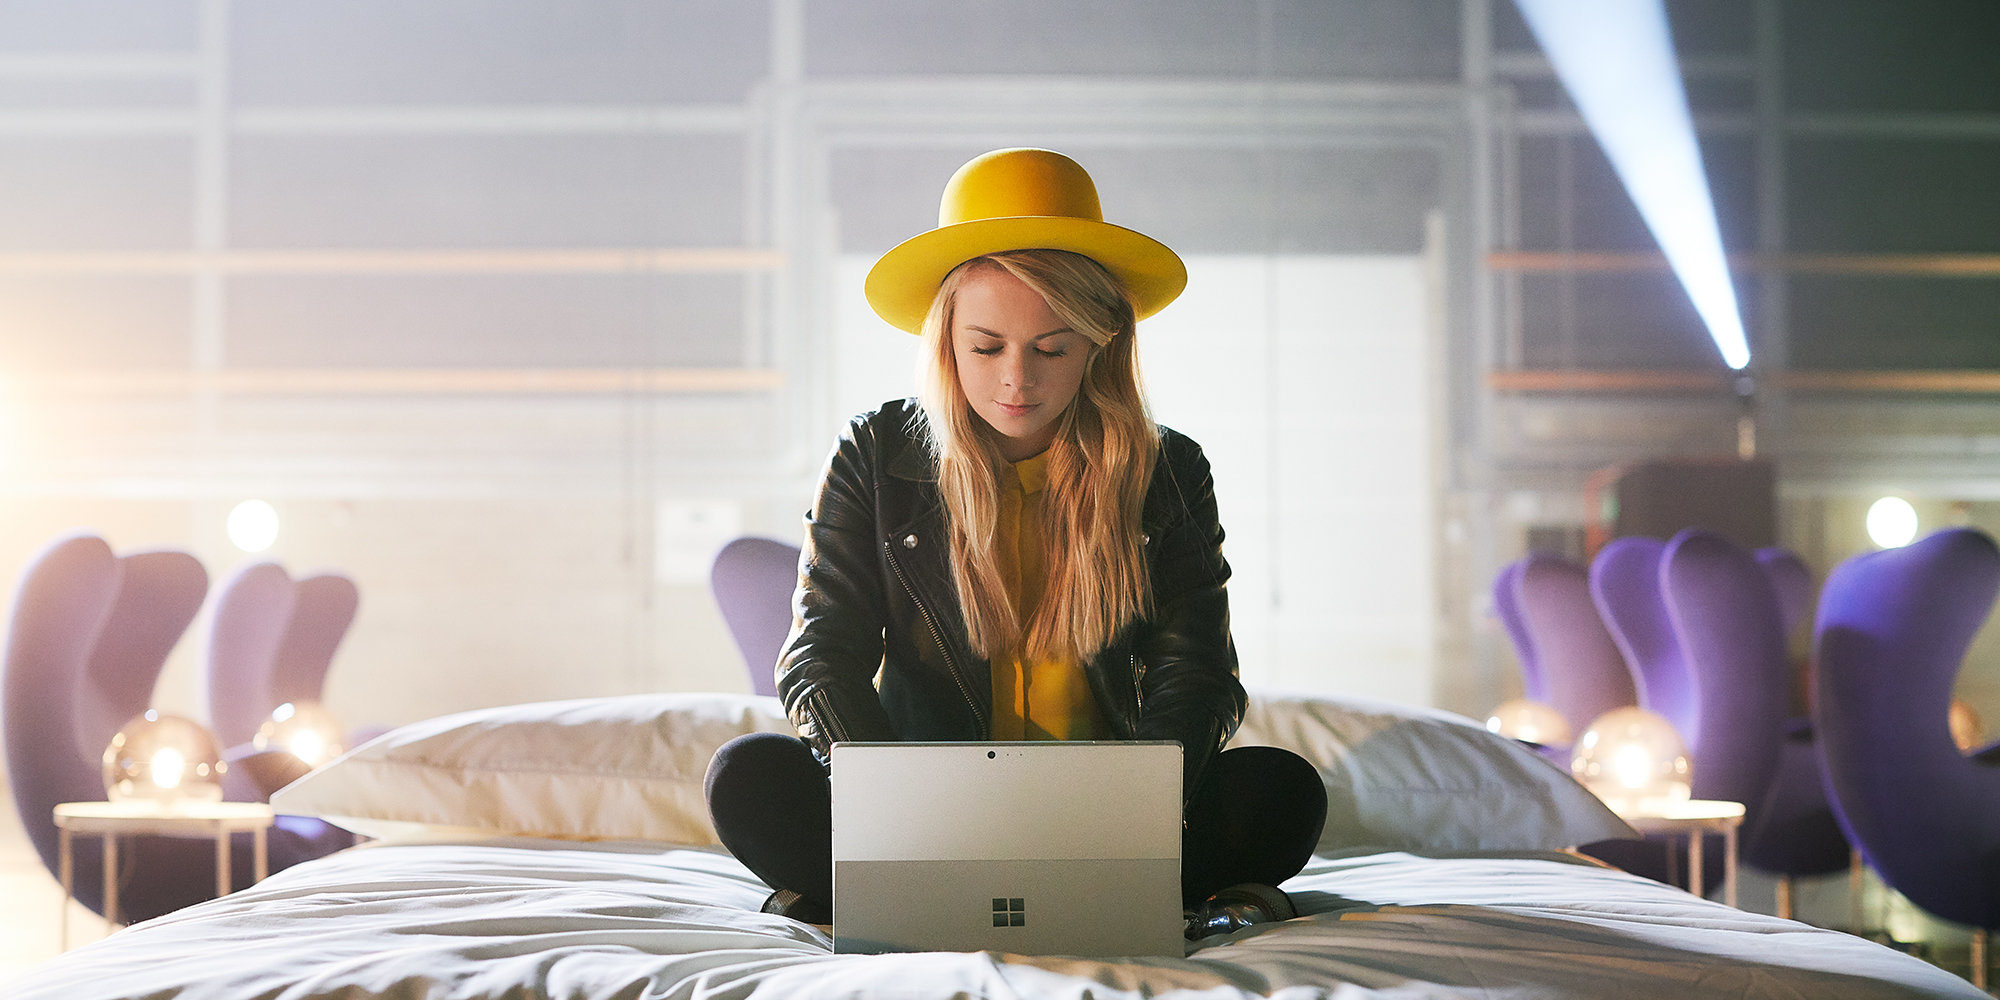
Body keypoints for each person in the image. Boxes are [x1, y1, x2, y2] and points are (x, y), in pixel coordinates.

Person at [704, 147, 1326, 939]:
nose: (1016, 381)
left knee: (1283, 791)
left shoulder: (1168, 468)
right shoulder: (875, 451)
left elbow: (1197, 673)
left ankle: (864, 900)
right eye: (987, 347)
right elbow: (819, 656)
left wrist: (1138, 807)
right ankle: (944, 886)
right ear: (946, 343)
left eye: (1052, 348)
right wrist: (888, 803)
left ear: (1101, 343)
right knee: (747, 778)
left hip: (1109, 819)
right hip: (920, 817)